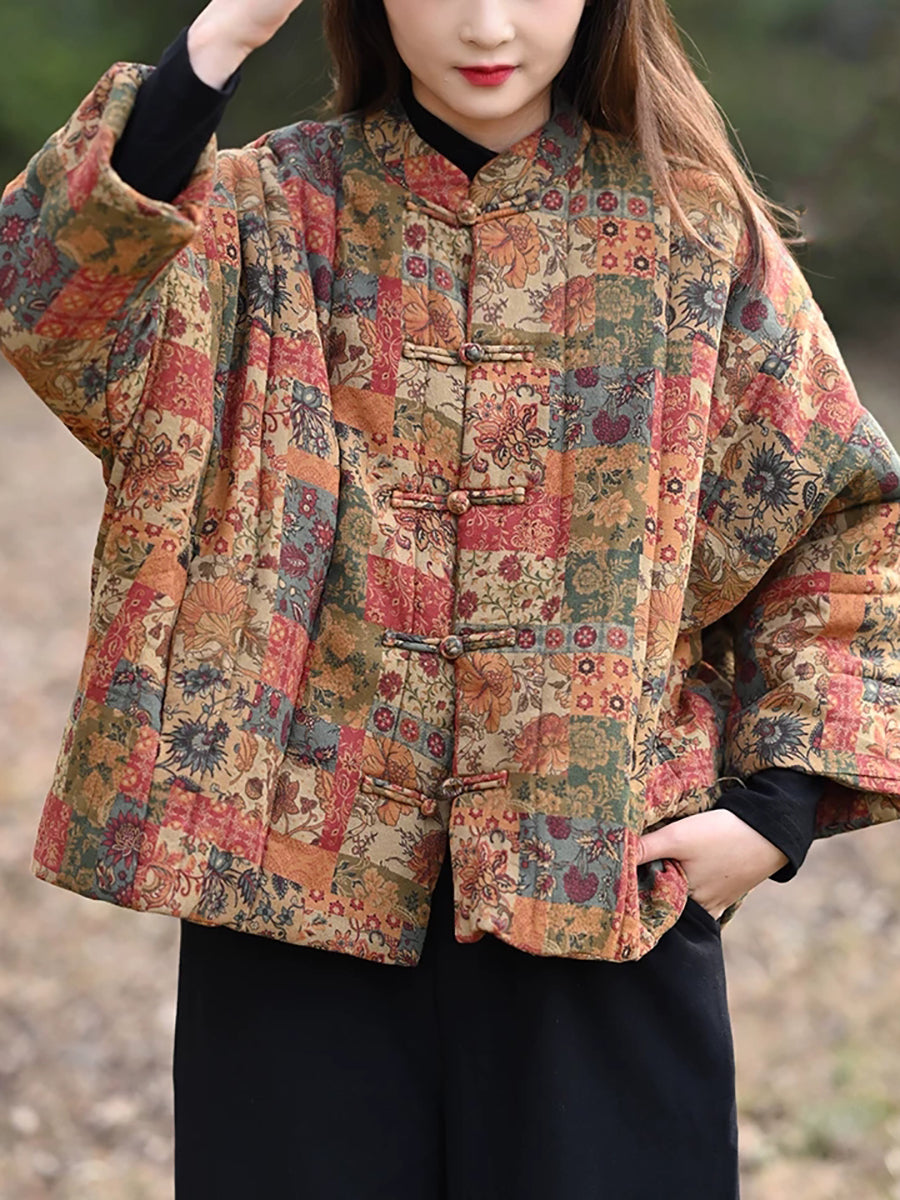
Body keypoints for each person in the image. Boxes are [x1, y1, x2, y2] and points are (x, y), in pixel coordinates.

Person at [2, 1, 898, 1196]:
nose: (487, 24)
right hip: (287, 902)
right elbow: (51, 297)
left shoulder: (691, 235)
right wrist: (218, 42)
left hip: (599, 887)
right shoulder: (261, 215)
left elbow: (844, 520)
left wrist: (774, 813)